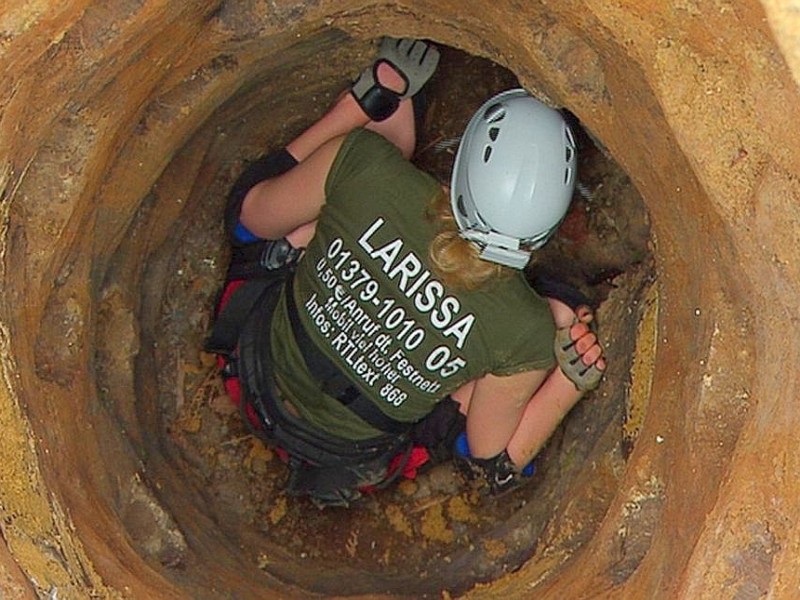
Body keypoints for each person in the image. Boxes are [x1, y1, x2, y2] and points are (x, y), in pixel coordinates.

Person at [207, 38, 605, 508]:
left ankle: (371, 103)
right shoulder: (524, 330)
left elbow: (250, 219)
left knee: (276, 214)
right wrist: (569, 381)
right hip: (349, 457)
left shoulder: (367, 168)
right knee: (552, 313)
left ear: (463, 159)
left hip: (249, 366)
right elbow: (490, 462)